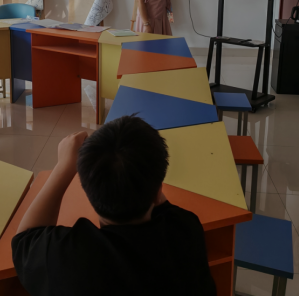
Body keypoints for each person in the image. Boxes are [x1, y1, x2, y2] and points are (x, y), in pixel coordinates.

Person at [12, 116, 217, 296]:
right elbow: (160, 201)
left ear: (89, 193)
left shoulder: (70, 257)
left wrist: (63, 166)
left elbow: (25, 239)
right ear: (157, 192)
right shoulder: (186, 229)